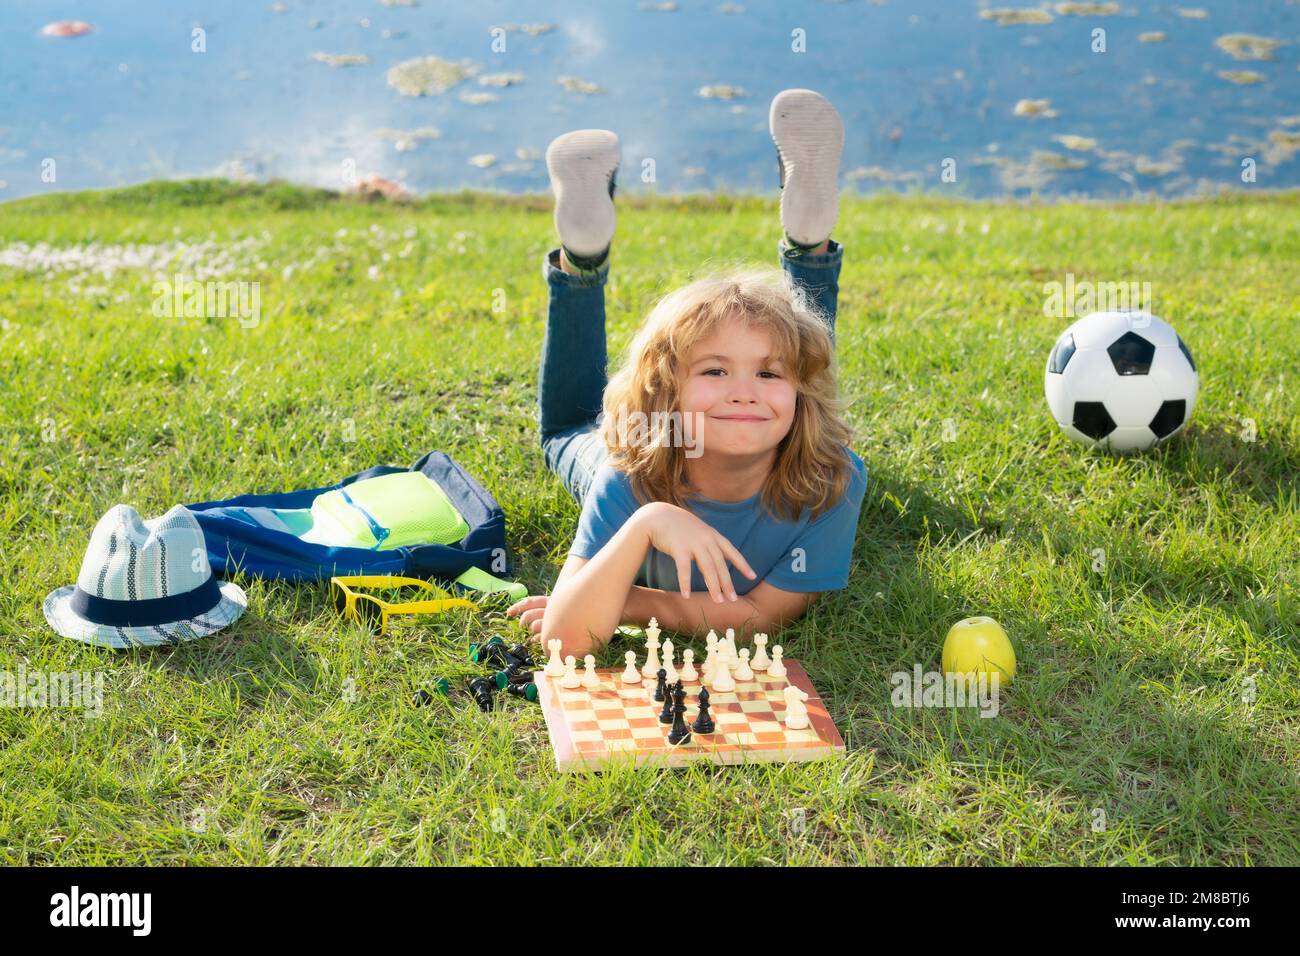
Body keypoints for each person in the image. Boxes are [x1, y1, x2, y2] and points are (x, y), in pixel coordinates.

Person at [507, 89, 868, 658]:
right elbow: (566, 641)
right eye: (716, 371)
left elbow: (758, 619)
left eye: (770, 378)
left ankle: (586, 262)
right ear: (665, 394)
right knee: (569, 431)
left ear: (800, 400)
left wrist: (627, 599)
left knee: (803, 347)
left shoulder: (832, 480)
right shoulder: (625, 478)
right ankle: (583, 263)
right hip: (647, 452)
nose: (745, 393)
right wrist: (649, 521)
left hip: (783, 435)